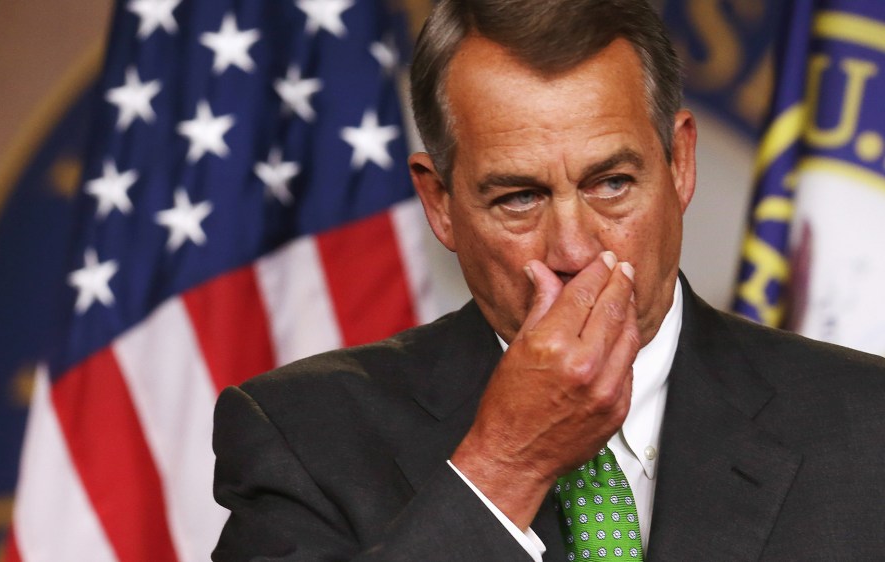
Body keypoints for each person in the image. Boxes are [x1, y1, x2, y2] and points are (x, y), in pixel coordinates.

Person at [211, 0, 885, 559]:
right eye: (518, 198)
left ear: (679, 164)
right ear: (441, 204)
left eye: (612, 184)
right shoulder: (299, 439)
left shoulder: (866, 425)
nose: (573, 249)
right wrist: (502, 468)